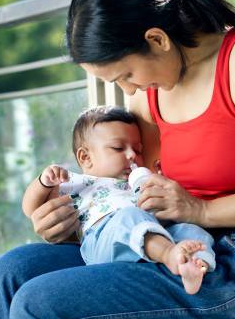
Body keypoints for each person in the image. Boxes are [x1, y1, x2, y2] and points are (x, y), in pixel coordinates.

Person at [0, 0, 235, 318]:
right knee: (11, 274)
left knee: (39, 302)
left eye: (125, 75)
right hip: (165, 242)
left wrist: (203, 211)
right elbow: (126, 192)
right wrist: (71, 223)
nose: (129, 90)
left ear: (157, 39)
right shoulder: (151, 93)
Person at [21, 105, 215, 295]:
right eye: (118, 148)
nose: (132, 155)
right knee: (129, 217)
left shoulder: (137, 181)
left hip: (149, 235)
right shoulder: (79, 182)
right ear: (85, 157)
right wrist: (44, 182)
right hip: (103, 241)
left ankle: (195, 266)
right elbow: (31, 208)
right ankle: (170, 255)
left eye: (138, 150)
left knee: (190, 230)